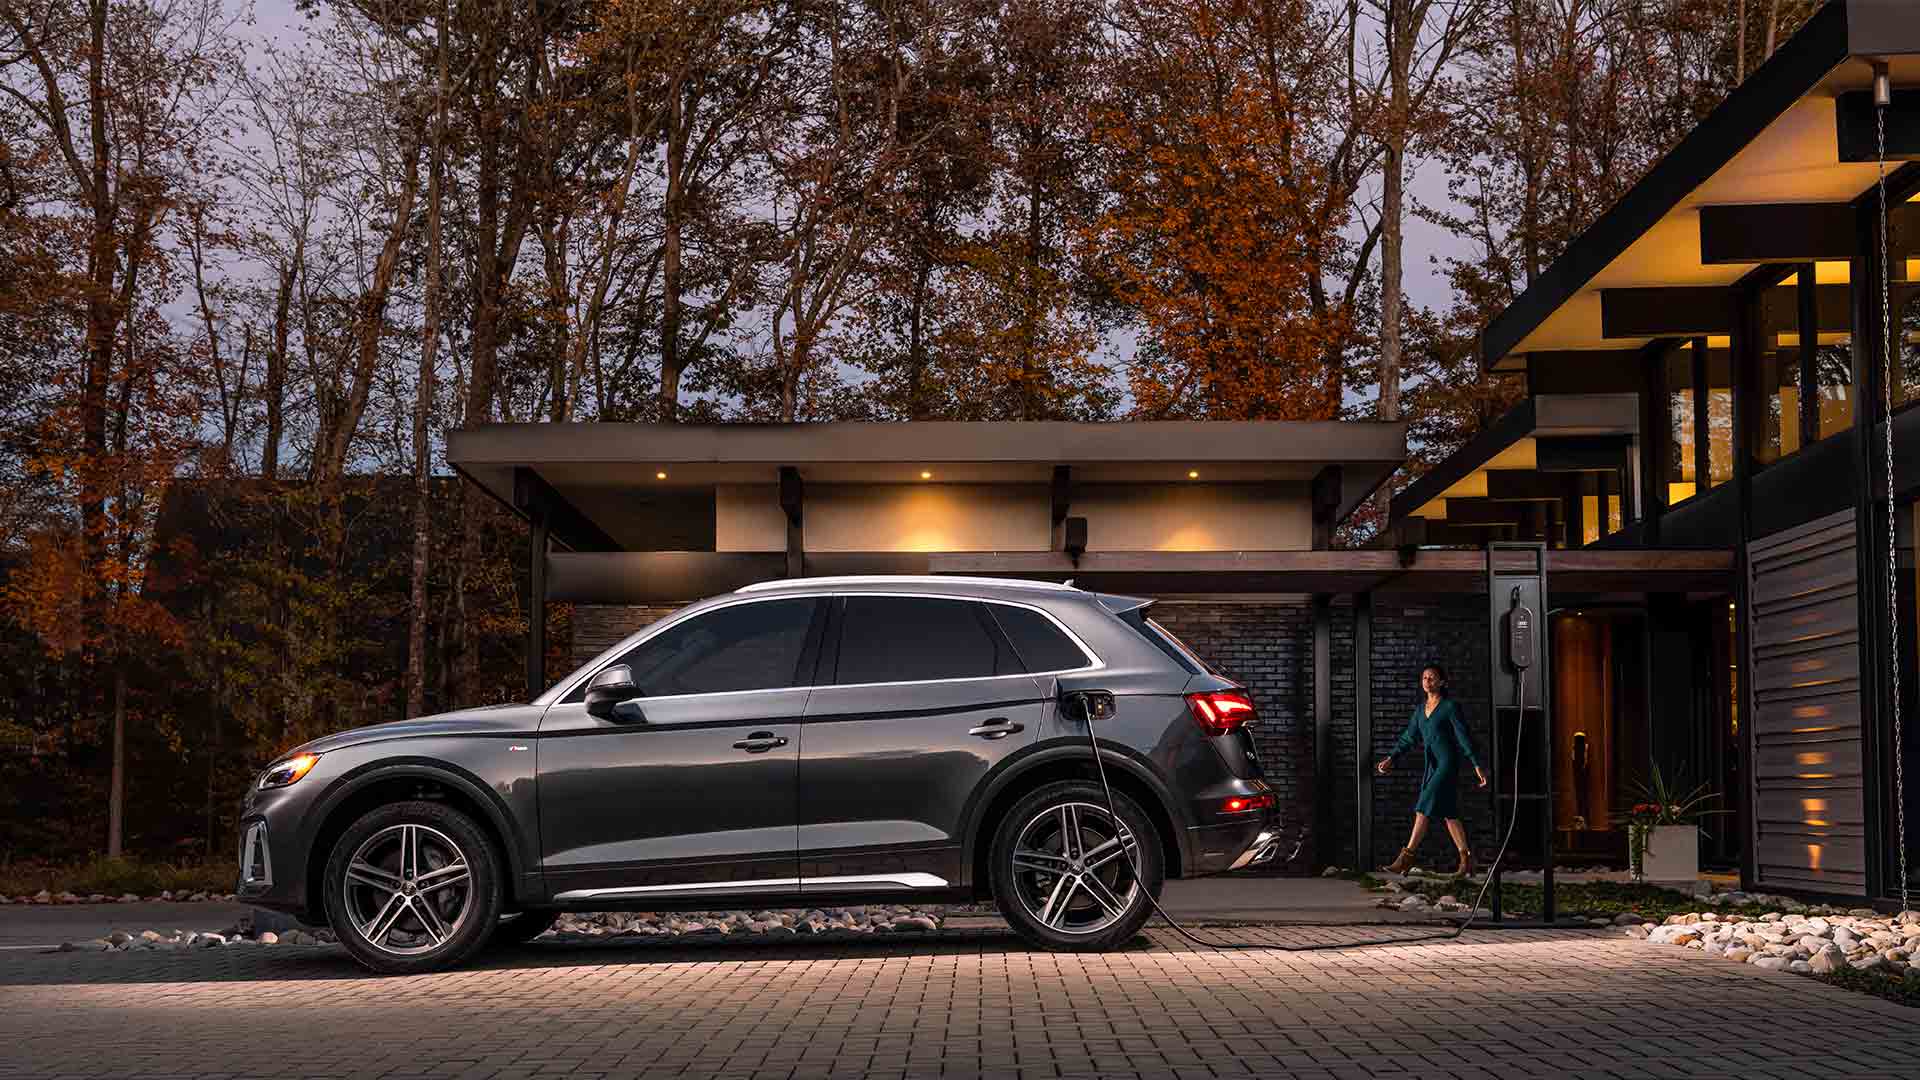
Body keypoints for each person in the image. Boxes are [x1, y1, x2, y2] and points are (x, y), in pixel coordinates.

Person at [1375, 663, 1488, 877]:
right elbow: (1408, 737)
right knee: (1449, 814)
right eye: (1425, 678)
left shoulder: (1449, 707)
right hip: (1432, 764)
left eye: (1432, 678)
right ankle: (1467, 860)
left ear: (1442, 682)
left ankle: (1406, 857)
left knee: (1423, 806)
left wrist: (1476, 764)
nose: (1427, 681)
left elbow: (1463, 736)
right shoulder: (1420, 711)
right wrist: (1392, 757)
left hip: (1447, 763)